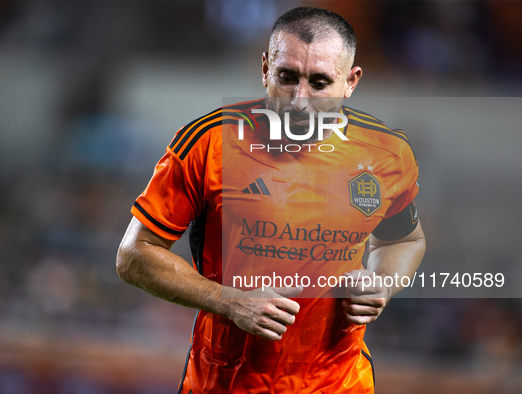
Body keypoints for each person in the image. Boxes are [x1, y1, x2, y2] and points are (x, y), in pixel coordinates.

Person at [116, 6, 425, 393]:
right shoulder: (210, 142)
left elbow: (405, 239)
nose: (299, 100)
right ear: (265, 69)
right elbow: (133, 254)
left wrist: (383, 281)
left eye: (320, 82)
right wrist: (229, 300)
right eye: (287, 77)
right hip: (225, 382)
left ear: (351, 81)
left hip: (339, 381)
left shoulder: (386, 153)